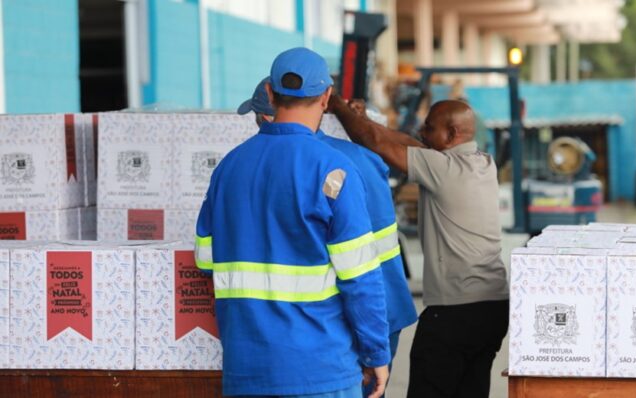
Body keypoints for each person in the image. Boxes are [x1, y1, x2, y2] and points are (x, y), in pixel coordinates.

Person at [195, 48, 390, 398]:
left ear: (269, 93)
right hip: (321, 371)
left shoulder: (227, 169)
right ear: (327, 98)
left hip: (246, 370)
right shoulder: (335, 170)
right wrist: (376, 352)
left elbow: (205, 260)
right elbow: (361, 279)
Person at [238, 77, 419, 397]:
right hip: (387, 306)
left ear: (268, 116)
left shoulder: (283, 168)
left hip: (343, 319)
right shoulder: (362, 157)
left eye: (256, 117)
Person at [328, 96, 510, 398]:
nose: (421, 133)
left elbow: (373, 141)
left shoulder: (443, 169)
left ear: (451, 134)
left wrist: (338, 107)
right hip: (492, 308)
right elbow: (409, 144)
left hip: (455, 312)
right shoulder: (482, 163)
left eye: (429, 128)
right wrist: (364, 118)